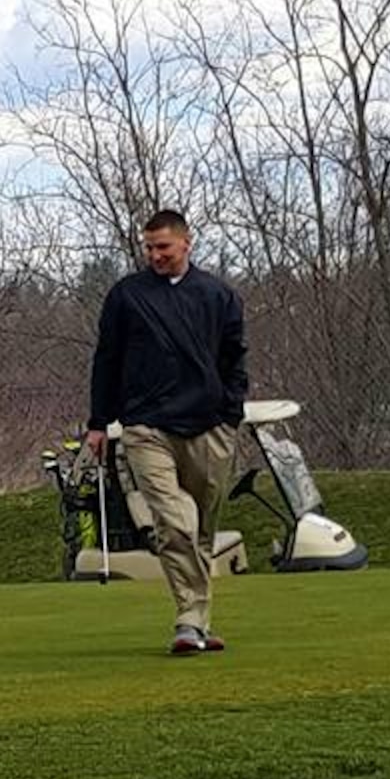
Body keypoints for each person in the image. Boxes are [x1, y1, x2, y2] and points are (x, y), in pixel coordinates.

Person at [87, 209, 249, 656]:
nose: (155, 255)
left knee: (199, 530)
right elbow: (106, 360)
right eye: (149, 247)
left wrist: (229, 414)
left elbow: (235, 359)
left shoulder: (218, 296)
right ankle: (188, 621)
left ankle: (197, 620)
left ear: (186, 244)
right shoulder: (127, 297)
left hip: (210, 427)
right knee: (175, 523)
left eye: (163, 247)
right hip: (146, 427)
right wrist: (99, 423)